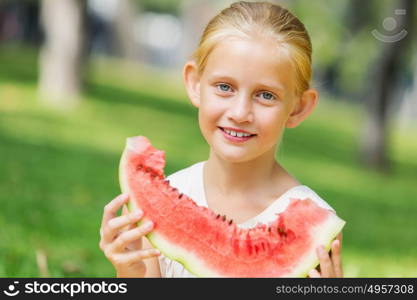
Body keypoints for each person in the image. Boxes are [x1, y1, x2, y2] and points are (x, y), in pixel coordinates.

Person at [99, 1, 343, 278]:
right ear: (194, 84)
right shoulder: (162, 203)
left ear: (298, 108)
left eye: (265, 95)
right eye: (225, 87)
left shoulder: (316, 220)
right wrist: (129, 270)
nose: (240, 113)